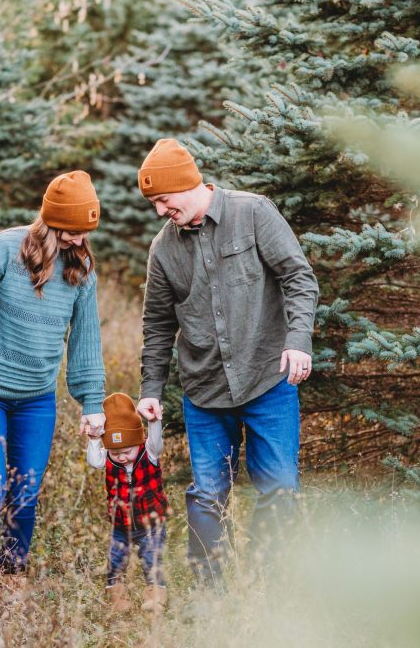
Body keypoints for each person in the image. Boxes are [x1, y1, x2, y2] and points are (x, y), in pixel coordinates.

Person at [135, 139, 319, 585]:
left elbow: (298, 277)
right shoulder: (163, 249)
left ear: (188, 183)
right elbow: (157, 325)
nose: (160, 211)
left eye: (164, 199)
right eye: (153, 203)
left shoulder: (253, 212)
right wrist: (151, 390)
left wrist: (298, 340)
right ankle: (209, 592)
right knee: (207, 495)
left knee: (279, 486)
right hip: (205, 390)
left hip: (267, 379)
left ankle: (269, 584)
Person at [0, 170, 106, 578]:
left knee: (26, 493)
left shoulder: (81, 269)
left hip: (37, 400)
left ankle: (11, 577)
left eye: (85, 233)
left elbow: (85, 339)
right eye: (73, 232)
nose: (79, 241)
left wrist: (92, 402)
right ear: (52, 221)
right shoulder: (3, 250)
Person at [85, 392, 168, 614]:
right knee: (115, 560)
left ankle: (155, 599)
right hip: (120, 525)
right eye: (115, 452)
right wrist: (94, 439)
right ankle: (117, 599)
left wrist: (154, 421)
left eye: (126, 452)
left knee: (151, 560)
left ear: (138, 441)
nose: (121, 457)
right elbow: (94, 461)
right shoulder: (108, 458)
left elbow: (156, 442)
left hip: (150, 524)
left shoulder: (149, 452)